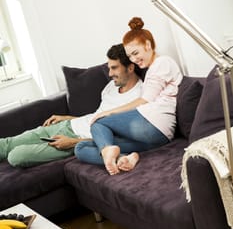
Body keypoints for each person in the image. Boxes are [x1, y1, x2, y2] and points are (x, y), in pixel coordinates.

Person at [0, 44, 142, 167]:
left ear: (130, 68)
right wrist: (68, 118)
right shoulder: (111, 86)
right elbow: (97, 116)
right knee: (6, 144)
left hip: (74, 140)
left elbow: (119, 139)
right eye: (109, 68)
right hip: (68, 125)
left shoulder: (139, 98)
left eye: (114, 68)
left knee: (16, 156)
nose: (110, 73)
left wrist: (74, 142)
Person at [75, 17, 183, 175]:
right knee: (81, 148)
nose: (134, 59)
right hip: (157, 136)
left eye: (135, 53)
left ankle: (109, 151)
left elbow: (144, 100)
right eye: (130, 56)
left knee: (98, 123)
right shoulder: (153, 68)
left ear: (148, 45)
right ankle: (124, 159)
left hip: (154, 123)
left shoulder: (162, 63)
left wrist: (109, 112)